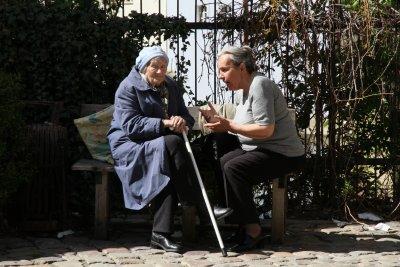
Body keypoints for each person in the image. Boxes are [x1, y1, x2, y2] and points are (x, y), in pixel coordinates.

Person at [107, 46, 232, 253]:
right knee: (172, 145)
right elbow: (131, 126)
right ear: (143, 67)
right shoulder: (128, 87)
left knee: (169, 155)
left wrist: (181, 120)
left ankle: (160, 234)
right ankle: (203, 208)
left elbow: (187, 117)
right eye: (154, 66)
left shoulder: (171, 86)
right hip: (129, 145)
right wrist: (166, 123)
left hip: (160, 144)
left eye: (163, 66)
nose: (159, 71)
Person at [200, 46, 305, 252]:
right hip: (261, 147)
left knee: (235, 167)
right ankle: (242, 225)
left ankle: (254, 231)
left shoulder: (260, 85)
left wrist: (228, 125)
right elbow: (244, 126)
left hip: (284, 154)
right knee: (225, 161)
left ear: (242, 67)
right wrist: (217, 121)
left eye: (224, 70)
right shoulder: (243, 91)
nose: (220, 76)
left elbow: (265, 130)